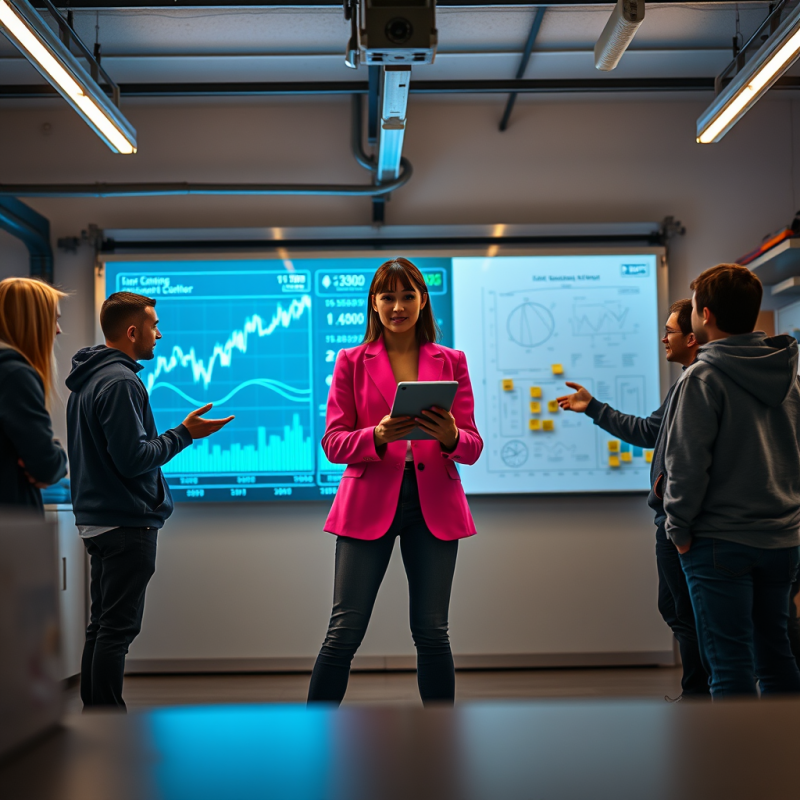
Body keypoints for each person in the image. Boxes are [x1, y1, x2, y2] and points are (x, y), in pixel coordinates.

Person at [308, 258, 483, 706]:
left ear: (423, 301)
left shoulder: (452, 361)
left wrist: (451, 436)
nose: (398, 306)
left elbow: (473, 446)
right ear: (374, 303)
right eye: (388, 296)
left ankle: (443, 742)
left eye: (408, 296)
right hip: (368, 501)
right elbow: (333, 443)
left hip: (435, 505)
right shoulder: (350, 361)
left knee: (432, 631)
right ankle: (313, 736)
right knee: (344, 630)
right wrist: (377, 436)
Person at [66, 291, 234, 709]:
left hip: (98, 521)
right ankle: (108, 720)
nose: (159, 334)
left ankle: (96, 716)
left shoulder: (88, 379)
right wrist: (184, 434)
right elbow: (134, 459)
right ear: (132, 330)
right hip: (127, 524)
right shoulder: (121, 381)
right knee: (116, 632)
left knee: (101, 627)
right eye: (154, 325)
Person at [556, 299, 708, 699]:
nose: (663, 338)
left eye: (670, 331)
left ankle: (700, 697)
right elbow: (647, 432)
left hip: (681, 525)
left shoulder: (697, 384)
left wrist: (676, 526)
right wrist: (594, 408)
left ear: (692, 338)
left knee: (687, 617)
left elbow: (688, 462)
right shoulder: (685, 385)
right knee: (678, 611)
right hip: (673, 524)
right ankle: (701, 696)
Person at [663, 264, 800, 698]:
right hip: (782, 541)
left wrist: (678, 530)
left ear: (706, 315)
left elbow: (686, 464)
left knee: (729, 666)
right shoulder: (788, 376)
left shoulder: (703, 376)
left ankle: (734, 766)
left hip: (720, 543)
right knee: (776, 657)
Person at [0, 277, 68, 511]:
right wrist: (58, 454)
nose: (58, 330)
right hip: (13, 528)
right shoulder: (15, 374)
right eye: (54, 320)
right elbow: (46, 466)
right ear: (32, 321)